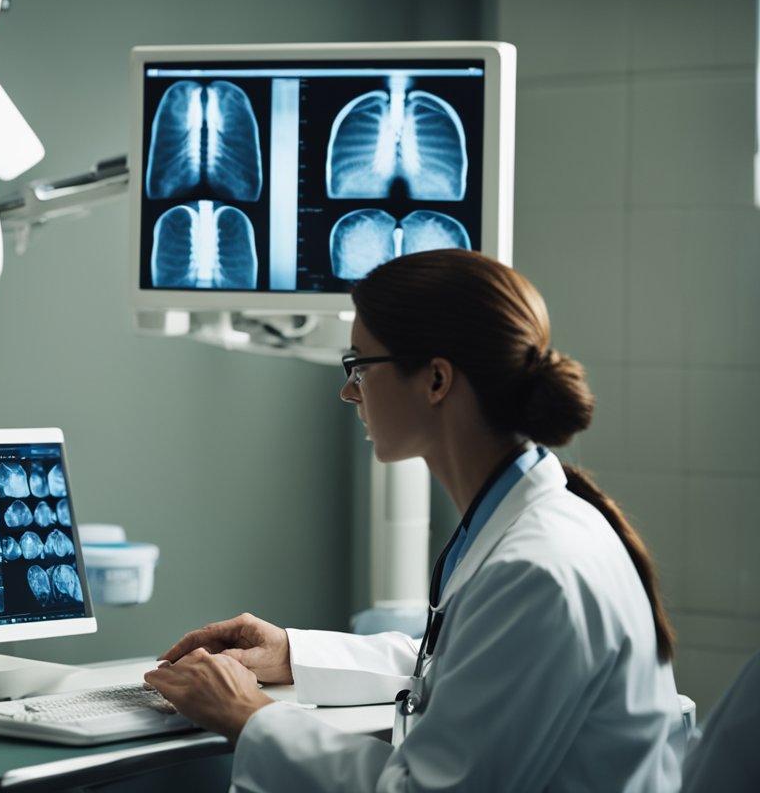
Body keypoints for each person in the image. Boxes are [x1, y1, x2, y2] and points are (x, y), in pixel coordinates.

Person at [143, 249, 686, 791]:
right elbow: (460, 664)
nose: (348, 390)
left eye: (360, 364)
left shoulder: (536, 571)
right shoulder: (536, 522)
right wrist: (293, 653)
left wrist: (248, 714)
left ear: (435, 380)